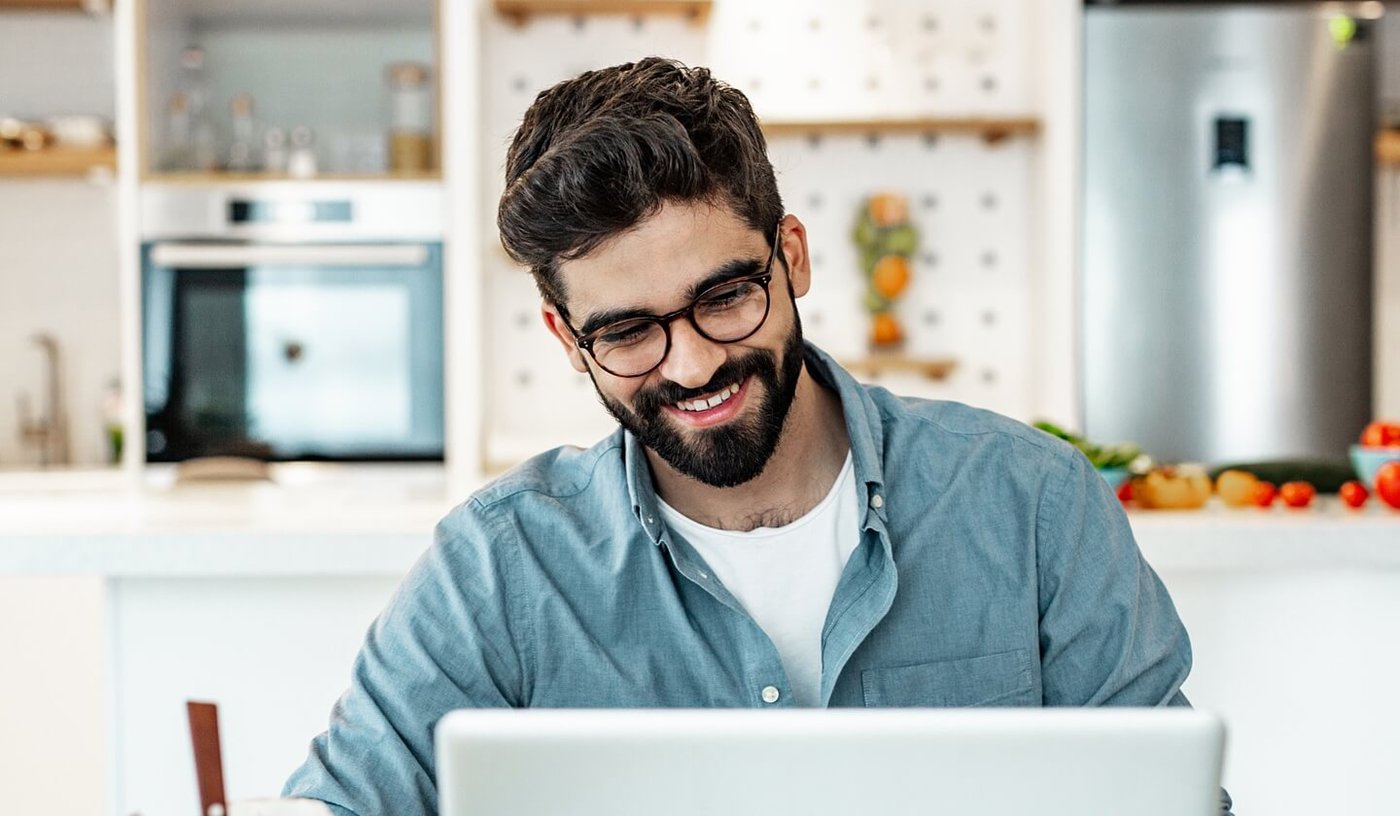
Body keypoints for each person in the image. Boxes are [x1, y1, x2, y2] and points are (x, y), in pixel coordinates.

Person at [283, 58, 1232, 816]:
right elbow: (350, 797)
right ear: (568, 340)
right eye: (626, 331)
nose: (692, 366)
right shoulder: (498, 565)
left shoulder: (1033, 504)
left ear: (793, 257)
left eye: (725, 297)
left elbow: (1169, 798)